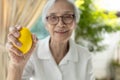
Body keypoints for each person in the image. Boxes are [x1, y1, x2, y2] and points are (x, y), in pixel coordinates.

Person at [6, 0, 95, 80]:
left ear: (75, 23)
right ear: (46, 24)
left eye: (67, 17)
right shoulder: (32, 51)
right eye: (53, 17)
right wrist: (16, 65)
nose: (60, 24)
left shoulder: (85, 56)